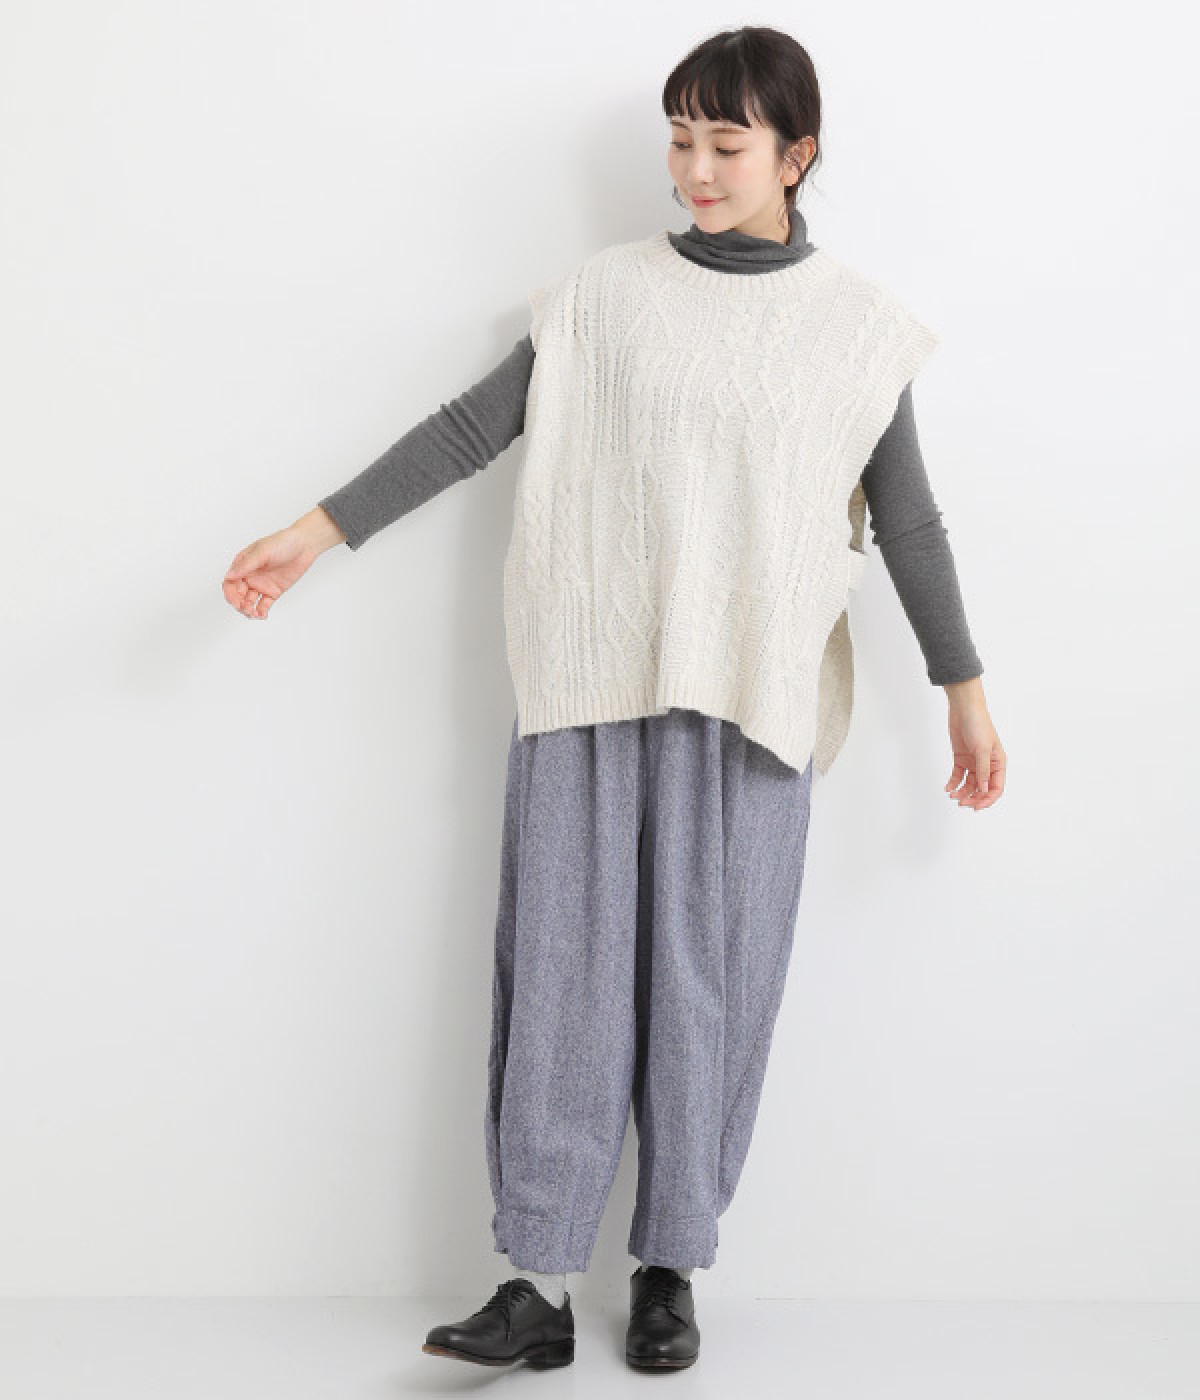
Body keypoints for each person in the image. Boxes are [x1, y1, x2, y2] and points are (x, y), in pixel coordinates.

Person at [222, 25, 1005, 1373]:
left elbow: (910, 521)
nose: (695, 169)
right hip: (591, 685)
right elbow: (472, 428)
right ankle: (533, 1285)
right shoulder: (603, 300)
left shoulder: (857, 331)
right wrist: (316, 532)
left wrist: (964, 690)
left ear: (796, 156)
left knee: (710, 995)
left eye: (727, 143)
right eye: (681, 139)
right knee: (564, 982)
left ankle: (668, 1270)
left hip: (750, 706)